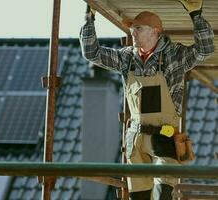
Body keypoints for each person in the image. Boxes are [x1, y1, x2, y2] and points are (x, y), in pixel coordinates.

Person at [79, 0, 214, 199]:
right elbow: (92, 53)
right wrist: (89, 19)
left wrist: (196, 15)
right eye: (132, 29)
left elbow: (206, 49)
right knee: (139, 197)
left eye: (138, 28)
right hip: (136, 139)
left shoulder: (174, 55)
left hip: (165, 138)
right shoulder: (127, 58)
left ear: (155, 32)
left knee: (162, 194)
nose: (132, 32)